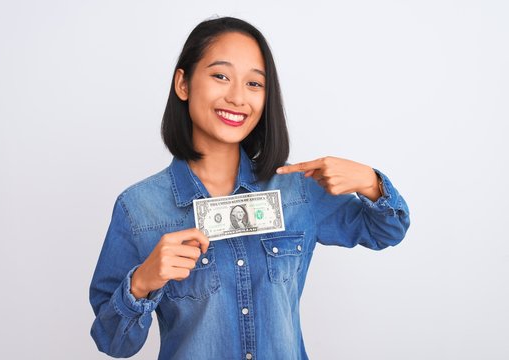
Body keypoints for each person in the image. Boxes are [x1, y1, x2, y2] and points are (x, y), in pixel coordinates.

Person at [89, 16, 410, 359]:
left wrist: (369, 181)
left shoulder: (296, 192)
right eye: (220, 76)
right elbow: (114, 343)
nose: (238, 97)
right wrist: (141, 283)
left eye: (255, 84)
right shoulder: (138, 208)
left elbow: (387, 231)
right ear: (183, 84)